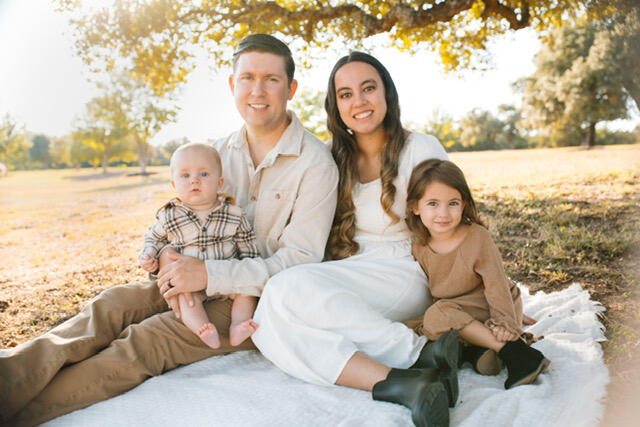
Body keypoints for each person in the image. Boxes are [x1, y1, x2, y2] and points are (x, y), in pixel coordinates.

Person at [0, 34, 339, 426]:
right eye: (247, 78)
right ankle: (8, 379)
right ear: (233, 85)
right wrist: (166, 256)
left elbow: (299, 261)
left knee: (147, 340)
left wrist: (210, 275)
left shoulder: (315, 164)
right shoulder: (216, 152)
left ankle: (17, 413)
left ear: (291, 89)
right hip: (189, 278)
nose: (257, 90)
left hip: (251, 301)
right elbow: (180, 218)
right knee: (112, 305)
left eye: (271, 79)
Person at [252, 52, 461, 427]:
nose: (359, 101)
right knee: (268, 320)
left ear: (386, 93)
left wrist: (487, 295)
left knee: (283, 294)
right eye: (346, 94)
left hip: (406, 269)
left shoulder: (419, 148)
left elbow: (455, 226)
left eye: (368, 88)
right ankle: (405, 381)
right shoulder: (334, 157)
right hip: (355, 267)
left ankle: (416, 355)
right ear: (335, 106)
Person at [405, 158, 550, 389]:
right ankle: (478, 353)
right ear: (415, 206)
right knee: (412, 325)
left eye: (453, 203)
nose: (443, 213)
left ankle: (518, 354)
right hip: (459, 311)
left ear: (463, 204)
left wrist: (505, 322)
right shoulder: (419, 246)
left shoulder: (477, 237)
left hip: (491, 304)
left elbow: (496, 283)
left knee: (438, 315)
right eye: (432, 203)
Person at [139, 143, 260, 349]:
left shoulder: (234, 214)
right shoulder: (170, 215)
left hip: (225, 277)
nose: (194, 180)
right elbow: (154, 238)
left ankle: (238, 325)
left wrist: (247, 270)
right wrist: (148, 255)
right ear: (174, 184)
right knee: (186, 299)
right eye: (185, 175)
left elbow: (248, 246)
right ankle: (202, 328)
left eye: (203, 174)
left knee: (247, 291)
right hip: (188, 282)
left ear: (219, 183)